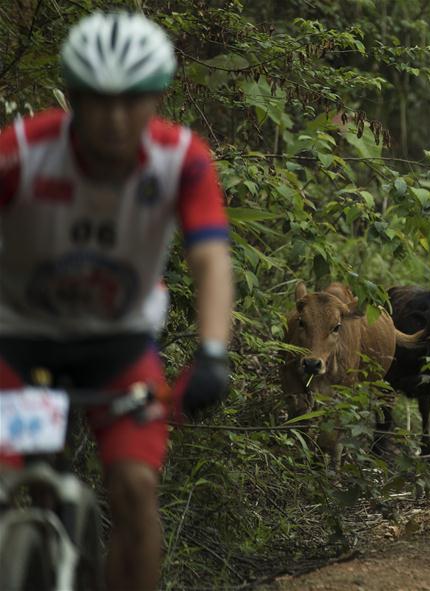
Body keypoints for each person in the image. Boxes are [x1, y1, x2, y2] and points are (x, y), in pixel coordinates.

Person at [0, 12, 234, 591]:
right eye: (97, 100)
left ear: (155, 99)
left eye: (132, 100)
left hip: (118, 348)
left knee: (134, 487)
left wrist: (211, 352)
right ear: (73, 96)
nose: (114, 117)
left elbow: (210, 258)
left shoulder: (182, 160)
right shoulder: (23, 153)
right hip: (17, 343)